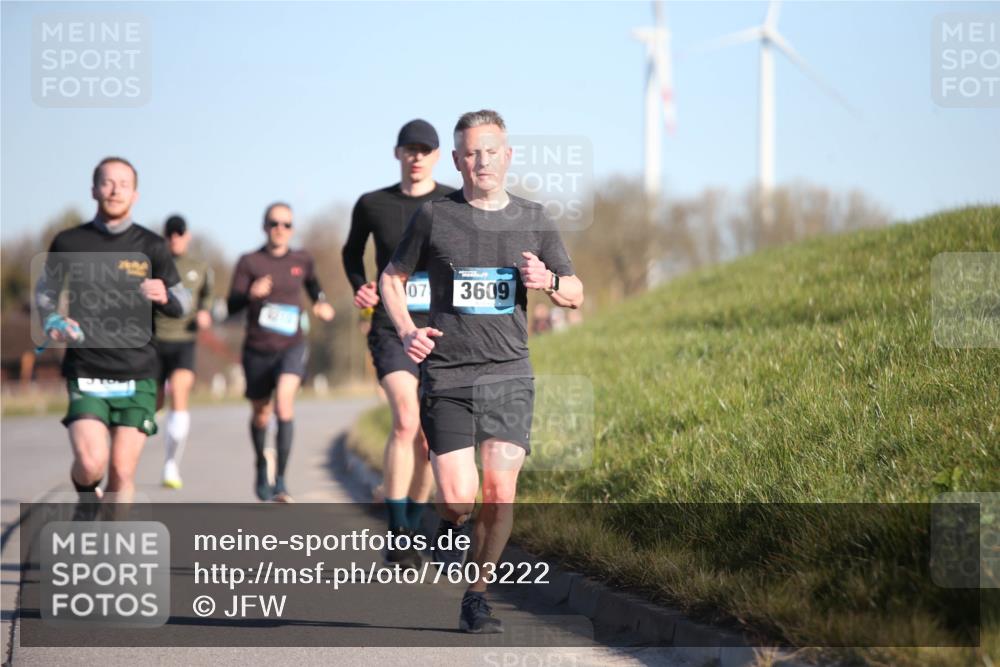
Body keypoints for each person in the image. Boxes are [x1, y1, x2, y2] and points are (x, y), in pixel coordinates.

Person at [380, 110, 584, 633]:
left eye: (491, 151)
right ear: (456, 160)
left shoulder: (535, 218)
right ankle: (446, 525)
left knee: (500, 490)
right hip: (448, 375)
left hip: (510, 372)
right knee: (457, 496)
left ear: (508, 155)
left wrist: (550, 282)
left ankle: (477, 594)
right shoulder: (433, 216)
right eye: (471, 152)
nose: (482, 161)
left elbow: (575, 291)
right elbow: (391, 277)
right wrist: (406, 331)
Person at [35, 156, 190, 516]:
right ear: (93, 190)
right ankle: (88, 501)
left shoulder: (152, 246)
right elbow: (45, 293)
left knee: (122, 471)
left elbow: (183, 300)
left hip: (138, 373)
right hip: (87, 368)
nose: (115, 189)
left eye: (123, 183)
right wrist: (53, 319)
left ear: (135, 194)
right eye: (107, 182)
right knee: (91, 462)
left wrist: (165, 295)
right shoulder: (69, 242)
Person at [342, 119, 455, 566]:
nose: (417, 156)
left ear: (437, 156)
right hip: (391, 326)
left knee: (428, 440)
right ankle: (397, 525)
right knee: (406, 419)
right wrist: (360, 285)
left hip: (443, 327)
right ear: (397, 154)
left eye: (425, 149)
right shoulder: (372, 204)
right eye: (409, 149)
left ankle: (411, 520)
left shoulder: (452, 201)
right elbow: (352, 253)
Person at [227, 202, 334, 503]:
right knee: (261, 414)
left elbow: (314, 286)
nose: (280, 229)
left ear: (292, 229)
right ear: (264, 227)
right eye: (274, 223)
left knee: (284, 406)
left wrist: (320, 302)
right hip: (258, 349)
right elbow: (232, 305)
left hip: (291, 345)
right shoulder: (249, 262)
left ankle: (282, 481)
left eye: (286, 224)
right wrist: (251, 293)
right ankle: (262, 464)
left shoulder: (303, 259)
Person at [155, 215, 214, 489]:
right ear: (165, 236)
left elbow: (208, 298)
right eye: (170, 234)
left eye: (179, 234)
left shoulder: (199, 267)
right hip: (153, 342)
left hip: (184, 341)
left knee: (179, 392)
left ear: (187, 236)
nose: (175, 239)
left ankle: (171, 464)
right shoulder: (153, 264)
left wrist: (204, 313)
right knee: (151, 406)